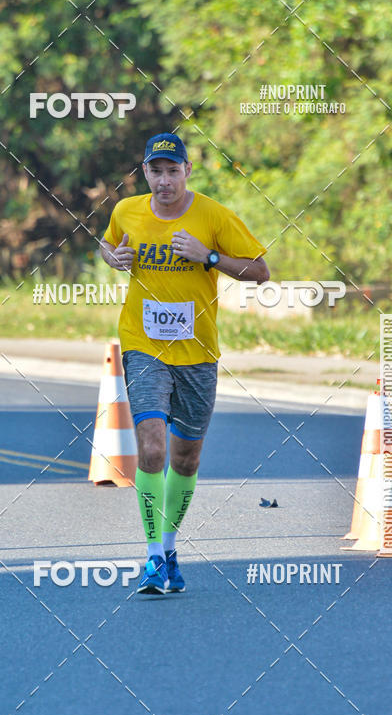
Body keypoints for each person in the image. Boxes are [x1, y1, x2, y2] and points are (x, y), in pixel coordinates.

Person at [100, 132, 269, 595]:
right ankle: (153, 557)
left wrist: (209, 257)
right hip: (143, 344)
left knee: (186, 457)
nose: (164, 180)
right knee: (151, 448)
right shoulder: (127, 210)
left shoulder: (213, 215)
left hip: (197, 352)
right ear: (145, 173)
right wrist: (113, 257)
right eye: (156, 171)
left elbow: (260, 270)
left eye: (173, 171)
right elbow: (107, 243)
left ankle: (170, 548)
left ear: (187, 172)